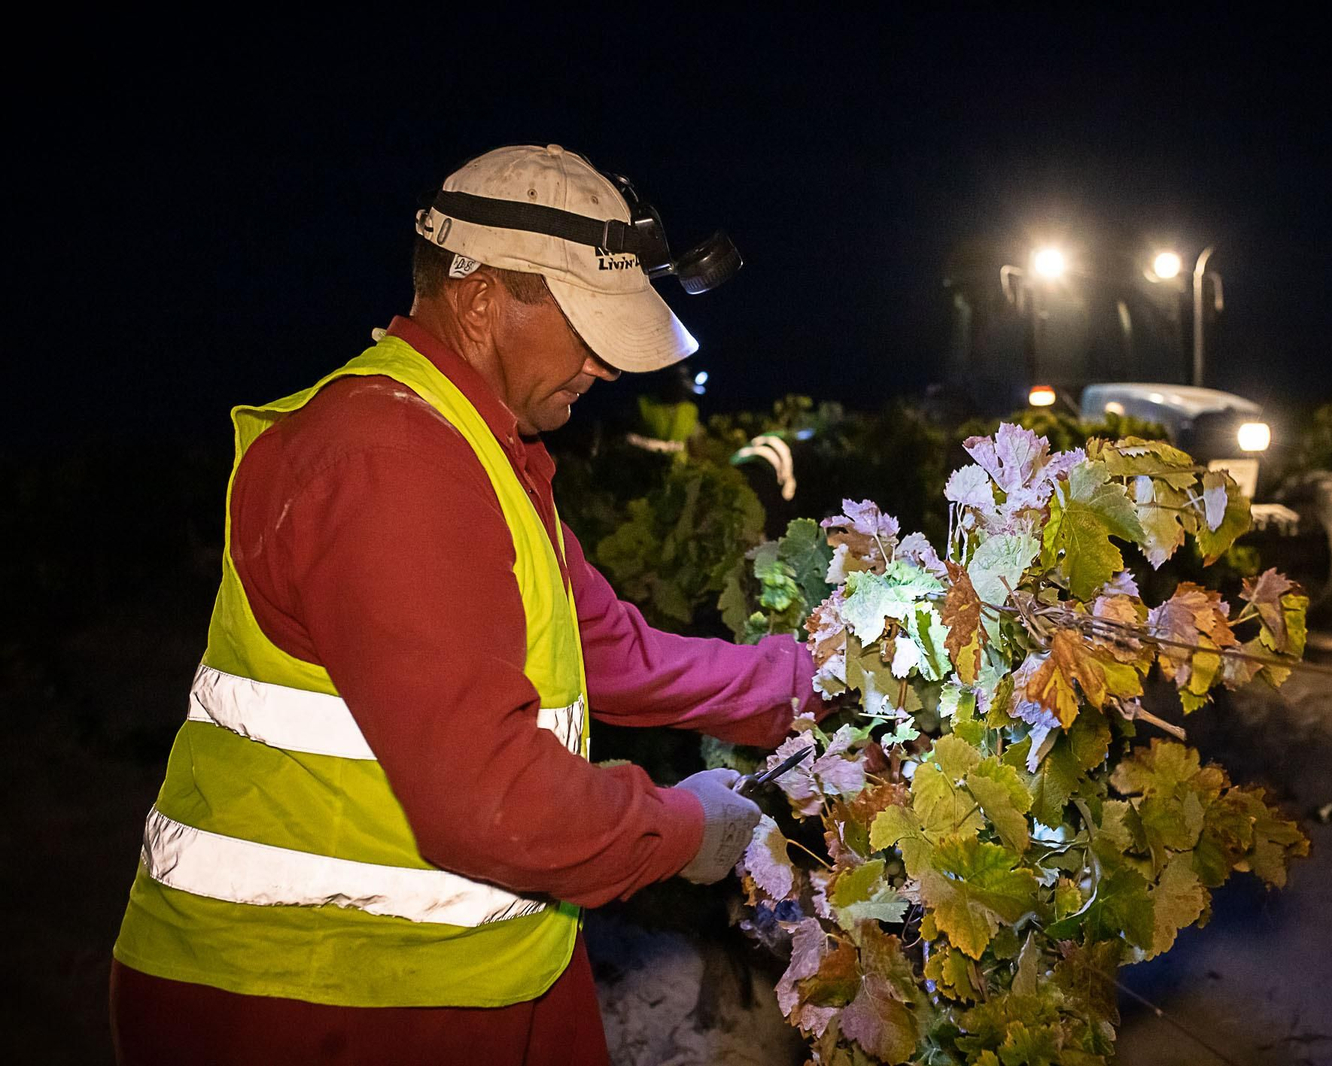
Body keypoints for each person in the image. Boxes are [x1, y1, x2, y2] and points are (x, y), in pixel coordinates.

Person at [109, 144, 821, 1065]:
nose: (606, 369)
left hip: (459, 976)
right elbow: (492, 802)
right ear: (481, 299)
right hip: (308, 999)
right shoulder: (389, 462)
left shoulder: (479, 450)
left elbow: (611, 654)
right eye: (588, 330)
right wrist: (683, 830)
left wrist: (812, 687)